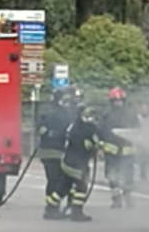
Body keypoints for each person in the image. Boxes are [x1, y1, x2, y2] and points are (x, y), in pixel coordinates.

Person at [57, 104, 104, 222]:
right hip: (77, 164)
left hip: (67, 161)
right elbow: (93, 143)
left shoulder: (73, 126)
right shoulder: (87, 129)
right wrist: (97, 147)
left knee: (64, 186)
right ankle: (76, 212)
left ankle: (51, 208)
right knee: (81, 187)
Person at [38, 87, 76, 220]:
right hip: (55, 152)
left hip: (53, 152)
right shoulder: (60, 114)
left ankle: (53, 208)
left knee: (55, 181)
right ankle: (51, 209)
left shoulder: (52, 112)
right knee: (58, 181)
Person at [101, 87, 139, 209]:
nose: (118, 103)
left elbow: (137, 131)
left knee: (128, 175)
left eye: (120, 101)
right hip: (111, 152)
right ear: (111, 102)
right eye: (116, 101)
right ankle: (116, 199)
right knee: (112, 176)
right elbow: (101, 131)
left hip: (127, 152)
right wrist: (100, 148)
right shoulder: (106, 115)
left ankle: (128, 197)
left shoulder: (131, 115)